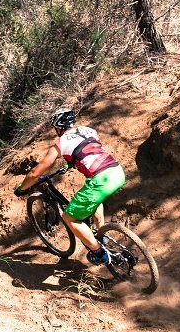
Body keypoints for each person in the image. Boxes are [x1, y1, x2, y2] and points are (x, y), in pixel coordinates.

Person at [14, 108, 125, 265]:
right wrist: (71, 162)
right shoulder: (89, 130)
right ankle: (102, 235)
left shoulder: (60, 143)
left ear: (58, 127)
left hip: (100, 181)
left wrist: (21, 189)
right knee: (93, 194)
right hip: (117, 172)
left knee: (69, 218)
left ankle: (99, 253)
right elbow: (89, 150)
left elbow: (34, 174)